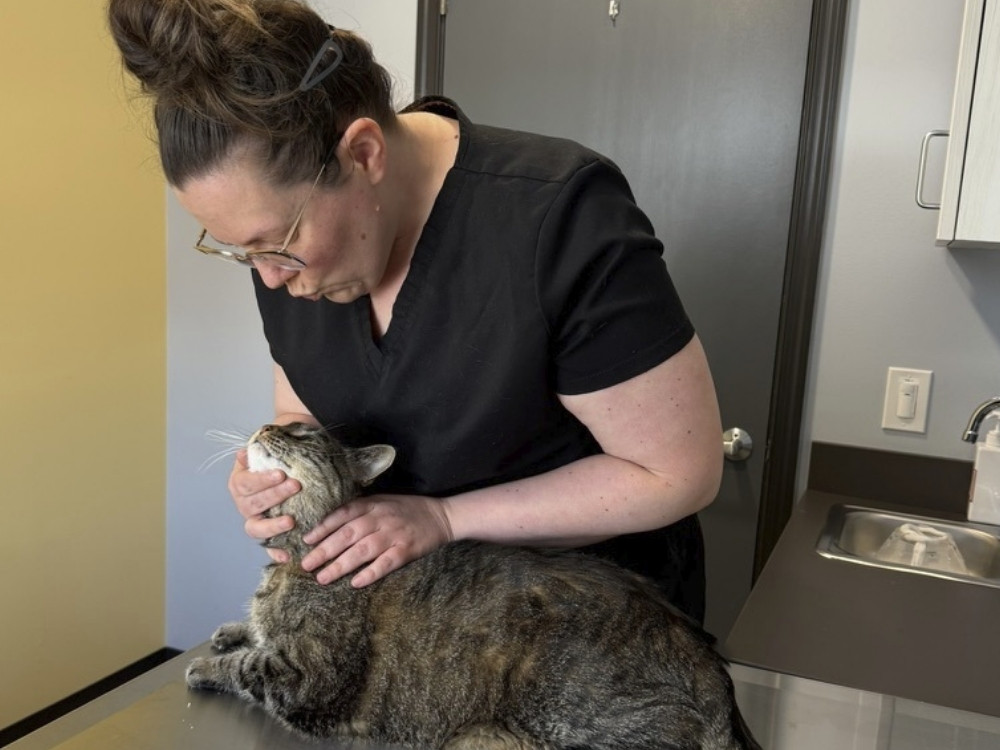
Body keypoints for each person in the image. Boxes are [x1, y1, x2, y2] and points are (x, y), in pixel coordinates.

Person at [108, 0, 723, 623]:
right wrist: (278, 481)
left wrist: (445, 518)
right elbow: (305, 412)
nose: (269, 276)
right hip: (407, 644)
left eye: (279, 244)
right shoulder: (289, 255)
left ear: (364, 153)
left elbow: (675, 472)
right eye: (242, 252)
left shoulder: (558, 216)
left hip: (588, 640)